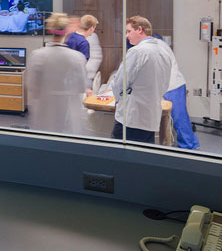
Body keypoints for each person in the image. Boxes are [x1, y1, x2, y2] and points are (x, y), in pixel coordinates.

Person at [111, 16, 173, 144]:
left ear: (139, 29)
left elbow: (120, 83)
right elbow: (164, 86)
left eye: (128, 31)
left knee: (120, 159)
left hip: (131, 118)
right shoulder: (165, 53)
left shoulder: (137, 51)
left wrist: (118, 99)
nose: (126, 36)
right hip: (150, 119)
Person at [26, 13, 88, 134]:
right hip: (69, 117)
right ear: (67, 31)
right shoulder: (77, 58)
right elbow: (81, 87)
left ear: (49, 30)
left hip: (43, 114)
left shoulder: (37, 56)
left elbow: (31, 86)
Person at [155, 37, 200, 150]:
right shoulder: (156, 45)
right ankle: (192, 143)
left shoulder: (157, 46)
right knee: (180, 118)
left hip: (172, 85)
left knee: (179, 118)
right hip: (170, 84)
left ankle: (188, 147)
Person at [78, 15, 102, 88]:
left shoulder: (92, 37)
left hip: (86, 77)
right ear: (91, 28)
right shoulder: (74, 38)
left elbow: (97, 57)